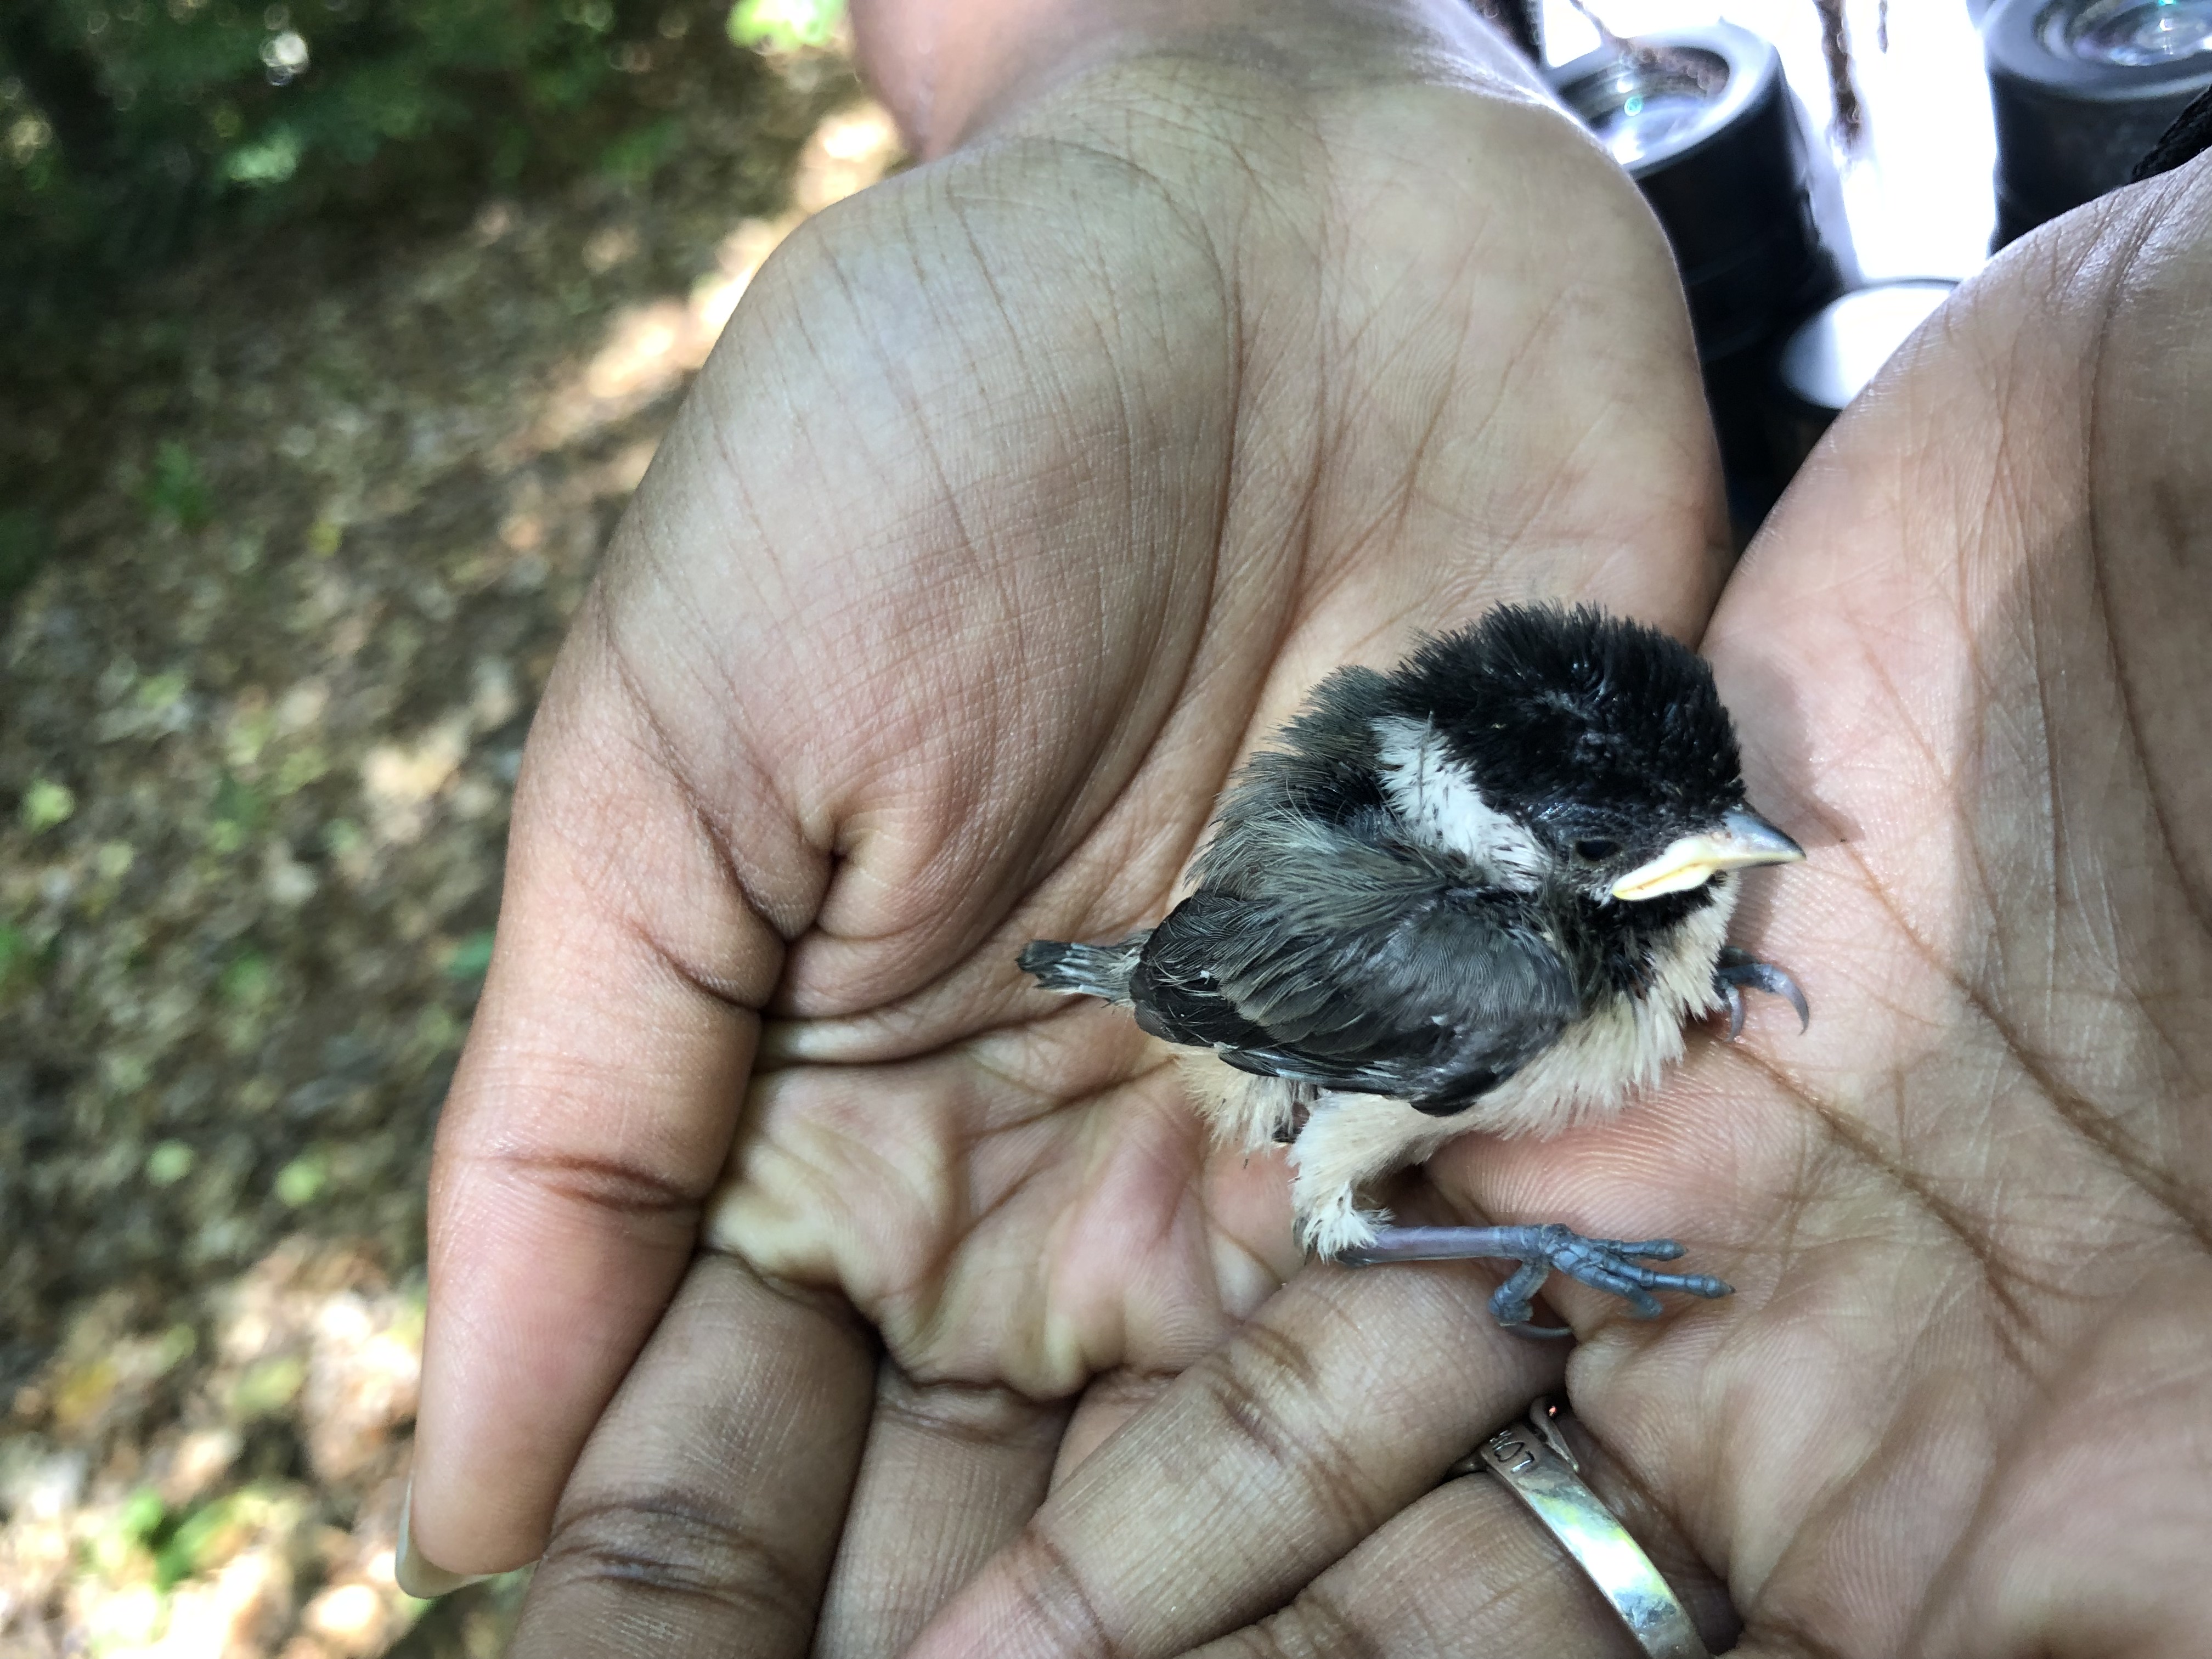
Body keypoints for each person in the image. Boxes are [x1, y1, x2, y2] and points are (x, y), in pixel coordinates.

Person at [403, 0, 2212, 1653]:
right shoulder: (1484, 960)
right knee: (1370, 1200)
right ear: (1522, 847)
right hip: (1246, 998)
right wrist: (1542, 1245)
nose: (1730, 855)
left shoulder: (1584, 842)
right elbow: (1290, 1118)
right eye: (1639, 854)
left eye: (1708, 822)